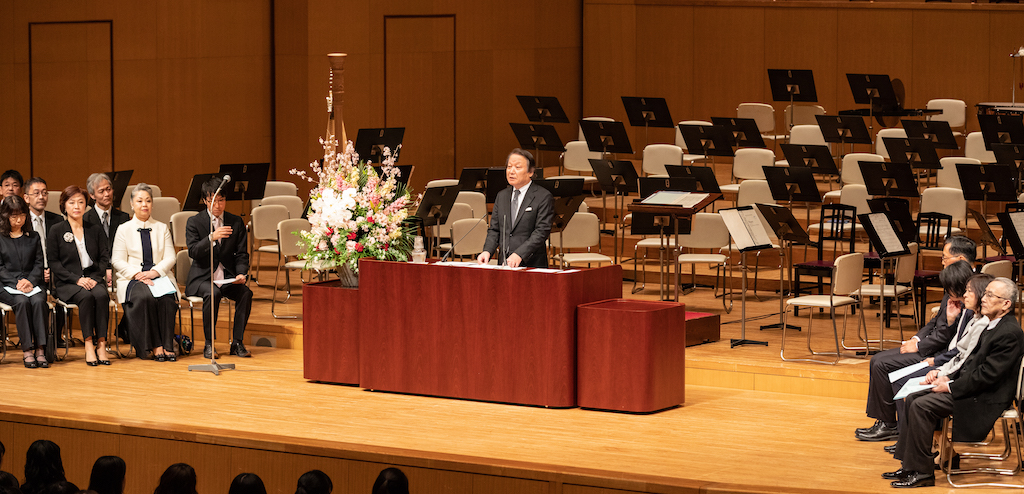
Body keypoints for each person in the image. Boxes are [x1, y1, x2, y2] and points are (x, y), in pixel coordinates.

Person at [884, 277, 1024, 487]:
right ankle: (909, 465)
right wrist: (947, 377)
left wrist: (949, 386)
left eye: (990, 295)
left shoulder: (1009, 333)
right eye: (985, 293)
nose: (983, 299)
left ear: (1006, 304)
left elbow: (987, 376)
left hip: (986, 397)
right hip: (973, 387)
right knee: (913, 397)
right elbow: (970, 363)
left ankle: (922, 473)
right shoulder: (994, 324)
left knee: (922, 405)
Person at [855, 236, 976, 442]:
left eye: (945, 257)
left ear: (961, 259)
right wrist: (916, 339)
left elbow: (949, 335)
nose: (942, 262)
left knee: (882, 364)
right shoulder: (955, 278)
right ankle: (888, 423)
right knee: (878, 359)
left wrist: (923, 348)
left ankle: (894, 428)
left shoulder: (970, 289)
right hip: (933, 347)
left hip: (941, 353)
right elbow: (936, 320)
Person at [185, 177, 253, 359]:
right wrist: (211, 238)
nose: (217, 205)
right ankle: (210, 343)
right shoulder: (194, 222)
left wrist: (241, 273)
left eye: (221, 200)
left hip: (227, 277)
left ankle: (237, 342)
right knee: (213, 293)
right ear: (205, 201)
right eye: (212, 200)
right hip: (202, 278)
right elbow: (193, 251)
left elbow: (241, 254)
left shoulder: (235, 222)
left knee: (245, 293)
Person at [112, 183, 178, 361]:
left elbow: (171, 257)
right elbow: (117, 260)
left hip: (159, 276)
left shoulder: (162, 228)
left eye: (148, 201)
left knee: (167, 299)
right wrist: (137, 274)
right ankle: (154, 345)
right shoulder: (123, 229)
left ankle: (168, 345)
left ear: (152, 204)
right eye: (139, 201)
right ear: (132, 204)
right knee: (145, 298)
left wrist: (154, 272)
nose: (144, 204)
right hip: (132, 279)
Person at [48, 185, 112, 366]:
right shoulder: (56, 230)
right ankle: (88, 344)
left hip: (92, 278)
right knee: (85, 297)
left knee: (101, 296)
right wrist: (76, 279)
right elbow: (54, 262)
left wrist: (95, 278)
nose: (76, 206)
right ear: (64, 205)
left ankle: (101, 343)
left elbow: (104, 257)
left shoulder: (95, 229)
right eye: (72, 202)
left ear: (86, 205)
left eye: (81, 202)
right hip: (68, 281)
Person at [477, 148, 553, 268]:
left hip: (532, 264)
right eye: (509, 167)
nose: (511, 171)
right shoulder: (502, 196)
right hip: (505, 263)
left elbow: (541, 232)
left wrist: (519, 254)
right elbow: (495, 230)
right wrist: (487, 251)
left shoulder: (542, 196)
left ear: (530, 172)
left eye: (517, 167)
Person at [0, 196, 50, 368]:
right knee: (21, 302)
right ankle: (27, 349)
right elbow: (0, 268)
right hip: (7, 285)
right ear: (5, 216)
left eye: (22, 215)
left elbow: (39, 263)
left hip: (33, 283)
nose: (18, 219)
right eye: (14, 216)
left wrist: (30, 281)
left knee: (38, 302)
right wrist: (17, 283)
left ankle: (40, 349)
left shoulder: (33, 236)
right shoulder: (1, 238)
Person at [83, 173, 130, 251]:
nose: (107, 194)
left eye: (108, 189)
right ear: (92, 195)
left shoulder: (123, 217)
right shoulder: (85, 219)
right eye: (101, 191)